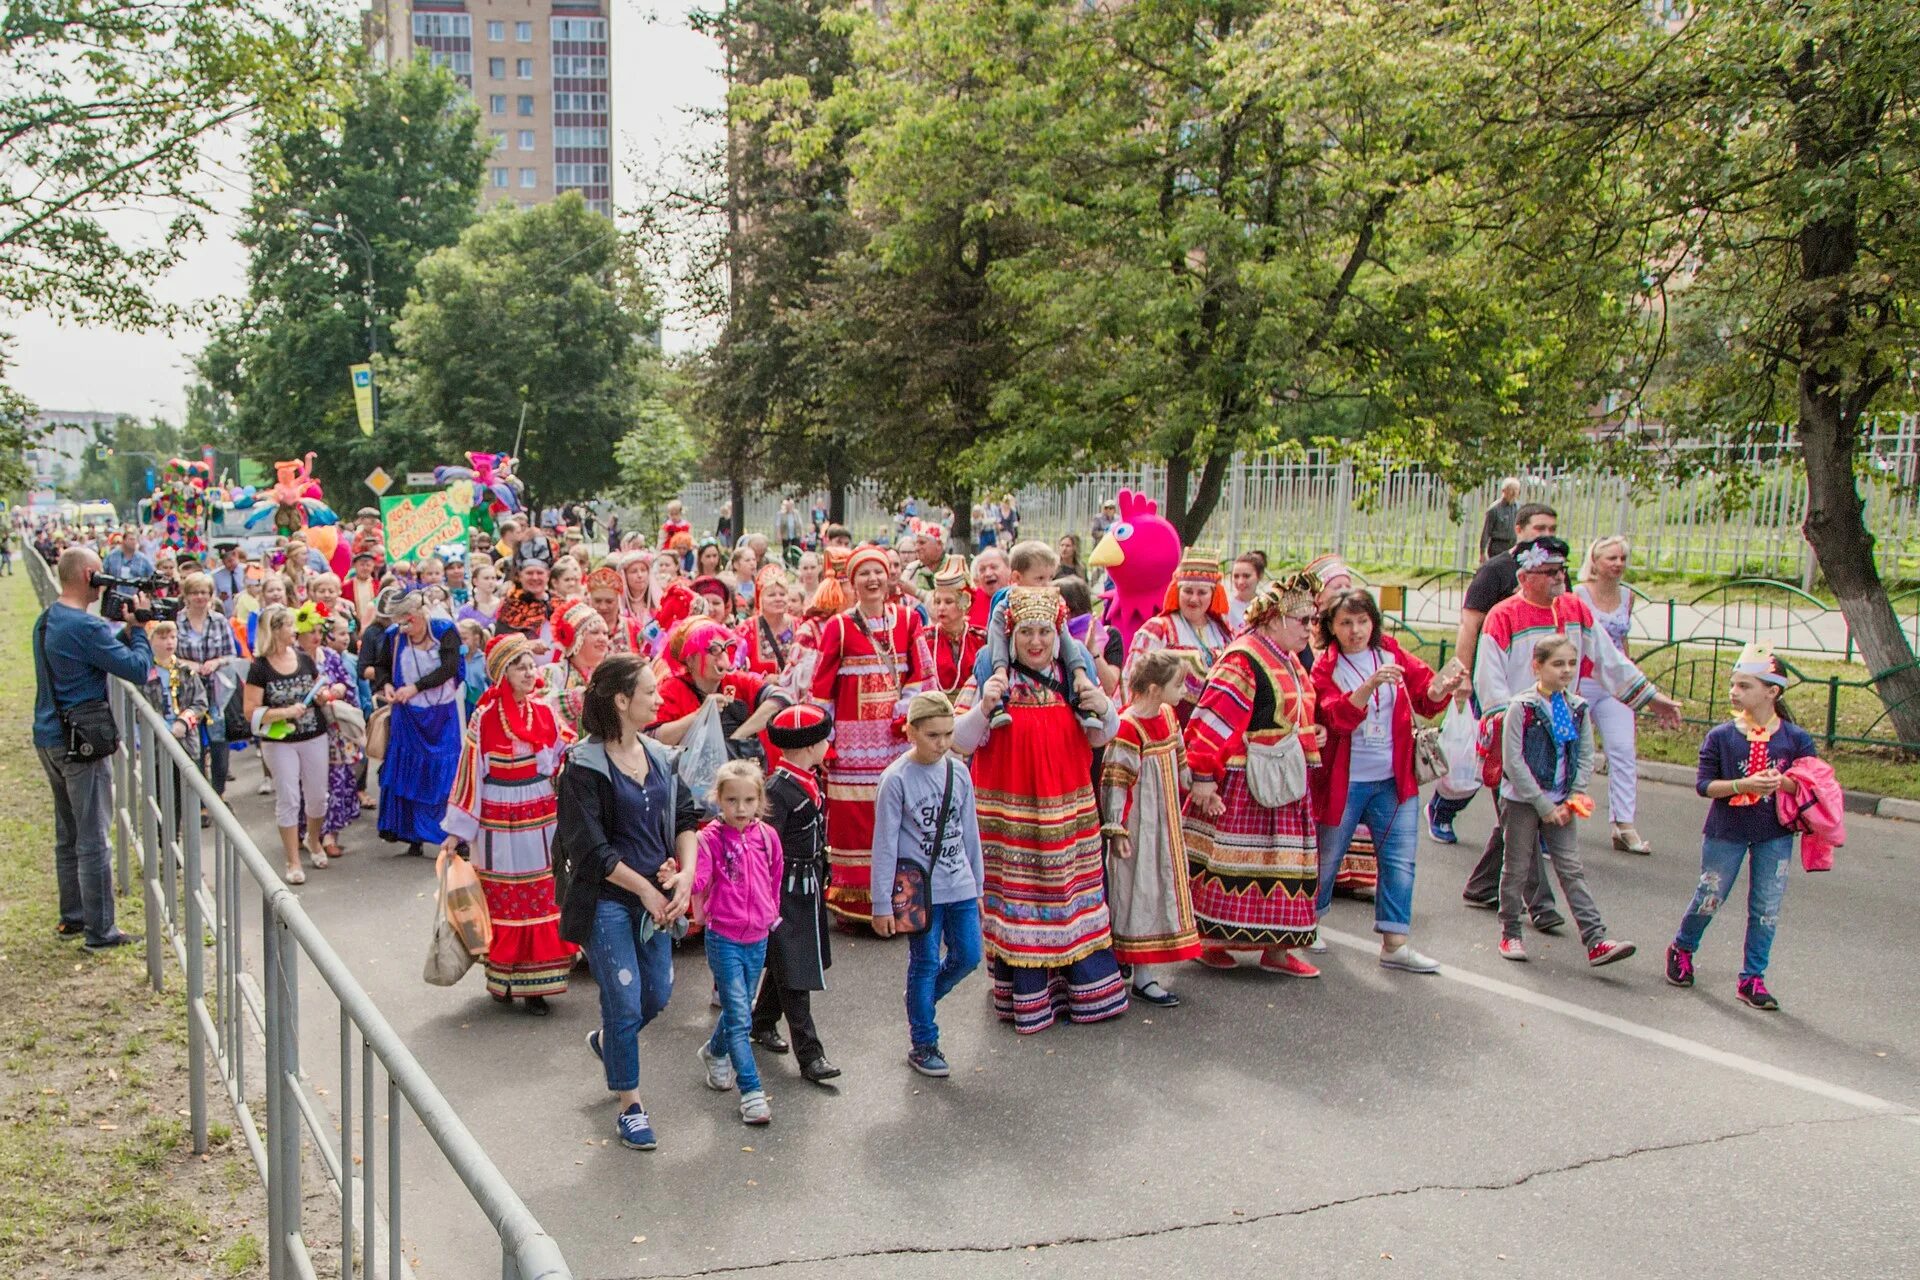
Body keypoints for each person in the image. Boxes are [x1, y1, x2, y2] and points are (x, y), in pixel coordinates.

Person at [1464, 537, 1681, 919]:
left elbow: (1608, 660)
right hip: (1521, 726)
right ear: (1525, 576)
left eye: (1562, 571)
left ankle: (1482, 885)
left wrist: (1651, 698)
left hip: (1562, 723)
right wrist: (1504, 724)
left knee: (1522, 815)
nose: (1558, 578)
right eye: (1549, 572)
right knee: (1526, 812)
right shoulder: (1503, 615)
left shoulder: (1576, 610)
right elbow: (1489, 679)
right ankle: (1542, 907)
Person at [955, 588, 1126, 1033]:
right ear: (1010, 635)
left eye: (1044, 633)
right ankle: (1031, 997)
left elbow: (1104, 734)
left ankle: (1084, 992)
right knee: (1023, 905)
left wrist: (1102, 706)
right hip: (1012, 820)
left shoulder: (1075, 678)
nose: (1036, 642)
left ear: (1057, 635)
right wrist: (985, 707)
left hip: (1068, 814)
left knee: (1072, 898)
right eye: (1026, 632)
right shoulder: (992, 680)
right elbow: (959, 741)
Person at [556, 655, 700, 1152]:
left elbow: (685, 818)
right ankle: (630, 1105)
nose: (660, 700)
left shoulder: (661, 756)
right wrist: (644, 888)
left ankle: (607, 1044)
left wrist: (686, 874)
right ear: (621, 701)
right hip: (607, 900)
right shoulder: (581, 766)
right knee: (622, 1000)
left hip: (655, 901)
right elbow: (591, 850)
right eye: (650, 692)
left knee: (655, 997)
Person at [1310, 588, 1464, 974]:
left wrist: (1441, 687)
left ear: (1374, 623)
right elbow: (1336, 717)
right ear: (1331, 627)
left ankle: (1395, 944)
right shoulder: (1325, 669)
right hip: (1345, 780)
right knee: (1327, 856)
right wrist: (1369, 686)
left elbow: (1426, 696)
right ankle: (1307, 923)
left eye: (1363, 621)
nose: (1356, 630)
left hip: (1394, 779)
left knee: (1399, 861)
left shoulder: (1391, 652)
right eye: (1346, 623)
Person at [1183, 573, 1326, 977]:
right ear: (1276, 618)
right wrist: (1204, 776)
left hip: (1283, 777)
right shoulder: (1244, 657)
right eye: (1303, 621)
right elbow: (1213, 718)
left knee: (1284, 866)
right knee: (1231, 860)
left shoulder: (1288, 658)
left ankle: (1278, 948)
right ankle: (1211, 940)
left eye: (1312, 621)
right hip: (1245, 782)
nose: (1309, 629)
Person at [1667, 646, 1816, 1011]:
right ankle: (1682, 947)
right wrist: (1743, 785)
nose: (1735, 692)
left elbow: (1812, 786)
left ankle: (1753, 977)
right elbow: (1704, 786)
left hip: (1775, 832)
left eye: (1745, 686)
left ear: (1772, 692)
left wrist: (1780, 783)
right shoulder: (1721, 736)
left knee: (1766, 907)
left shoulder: (1795, 740)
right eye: (1734, 685)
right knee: (1710, 894)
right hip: (1726, 829)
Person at [441, 634, 577, 1013]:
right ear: (502, 673)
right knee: (504, 897)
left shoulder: (546, 712)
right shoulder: (484, 719)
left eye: (531, 666)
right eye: (520, 666)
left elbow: (565, 755)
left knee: (541, 894)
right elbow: (469, 775)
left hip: (539, 814)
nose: (529, 673)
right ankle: (502, 978)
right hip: (499, 817)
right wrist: (457, 832)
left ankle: (537, 986)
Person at [808, 545, 933, 923]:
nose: (873, 579)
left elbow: (923, 672)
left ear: (889, 576)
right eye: (864, 573)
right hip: (852, 745)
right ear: (852, 582)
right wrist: (823, 741)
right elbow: (822, 687)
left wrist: (906, 708)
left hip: (897, 740)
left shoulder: (908, 620)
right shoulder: (840, 627)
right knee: (855, 819)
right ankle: (854, 903)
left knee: (901, 816)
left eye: (878, 571)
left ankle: (904, 902)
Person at [1495, 634, 1636, 968]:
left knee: (1571, 869)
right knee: (1516, 867)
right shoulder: (1523, 707)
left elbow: (1586, 754)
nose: (1566, 671)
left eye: (1571, 664)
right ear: (1537, 666)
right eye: (1558, 664)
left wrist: (1573, 795)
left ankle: (1596, 939)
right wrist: (1543, 805)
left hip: (1563, 801)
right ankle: (1510, 930)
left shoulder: (1576, 707)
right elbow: (1513, 762)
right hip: (1523, 801)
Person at [1428, 503, 1559, 844]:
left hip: (1536, 684)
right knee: (1482, 757)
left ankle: (1525, 830)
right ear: (1518, 530)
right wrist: (1463, 675)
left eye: (1551, 529)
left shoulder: (1556, 571)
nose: (1545, 536)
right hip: (1494, 680)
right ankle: (1444, 809)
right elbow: (1470, 624)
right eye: (1538, 528)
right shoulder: (1495, 571)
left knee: (1535, 757)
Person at [869, 692, 984, 1077]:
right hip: (921, 889)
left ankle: (921, 1003)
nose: (942, 743)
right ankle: (924, 1040)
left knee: (969, 955)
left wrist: (978, 885)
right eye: (933, 735)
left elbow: (970, 831)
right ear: (911, 732)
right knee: (923, 962)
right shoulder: (896, 779)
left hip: (960, 884)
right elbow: (883, 843)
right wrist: (882, 903)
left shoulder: (958, 772)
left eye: (948, 734)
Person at [1099, 650, 1202, 1006]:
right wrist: (1115, 826)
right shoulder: (1129, 727)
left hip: (1166, 821)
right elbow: (1115, 779)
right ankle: (1141, 974)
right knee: (1138, 890)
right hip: (1140, 823)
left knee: (1159, 887)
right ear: (1155, 688)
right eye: (1178, 684)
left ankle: (1138, 967)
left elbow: (1180, 755)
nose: (1183, 690)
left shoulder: (1169, 715)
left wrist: (1196, 784)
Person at [690, 760, 783, 1126]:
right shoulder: (709, 839)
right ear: (718, 799)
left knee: (739, 1008)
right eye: (732, 800)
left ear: (759, 799)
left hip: (758, 935)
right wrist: (678, 878)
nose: (740, 809)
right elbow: (698, 880)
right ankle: (752, 1092)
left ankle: (714, 1052)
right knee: (742, 1018)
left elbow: (775, 875)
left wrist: (770, 912)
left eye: (748, 800)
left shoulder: (767, 837)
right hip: (724, 937)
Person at [750, 705, 840, 1082]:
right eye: (822, 740)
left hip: (808, 883)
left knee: (787, 961)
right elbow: (762, 848)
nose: (827, 745)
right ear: (808, 746)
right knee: (795, 969)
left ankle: (761, 1021)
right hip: (784, 889)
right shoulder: (778, 791)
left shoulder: (808, 779)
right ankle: (809, 1054)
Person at [245, 605, 345, 884]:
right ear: (276, 630)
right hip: (279, 741)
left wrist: (326, 694)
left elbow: (317, 691)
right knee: (288, 798)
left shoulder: (303, 658)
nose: (295, 631)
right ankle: (293, 859)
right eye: (290, 626)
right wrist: (284, 712)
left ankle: (313, 839)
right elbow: (250, 711)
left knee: (317, 797)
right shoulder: (259, 668)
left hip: (314, 734)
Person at [1574, 535, 1650, 853]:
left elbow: (1622, 644)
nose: (1618, 564)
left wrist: (1631, 678)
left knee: (1622, 751)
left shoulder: (1628, 595)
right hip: (1583, 680)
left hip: (1614, 686)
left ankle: (1623, 825)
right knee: (1574, 752)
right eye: (1611, 558)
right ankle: (1557, 816)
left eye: (1622, 558)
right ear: (1595, 561)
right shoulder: (1578, 594)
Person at [974, 540, 1101, 731]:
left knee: (1080, 648)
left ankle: (1083, 701)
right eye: (1040, 579)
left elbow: (1064, 637)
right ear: (1017, 577)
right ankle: (996, 703)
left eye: (1050, 578)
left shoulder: (1053, 601)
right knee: (984, 654)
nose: (1047, 585)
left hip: (1048, 653)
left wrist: (1079, 673)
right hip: (1011, 655)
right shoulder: (1004, 603)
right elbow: (997, 639)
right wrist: (1000, 670)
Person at [374, 588, 464, 855]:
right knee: (408, 771)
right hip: (408, 716)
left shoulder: (444, 630)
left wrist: (416, 687)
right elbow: (380, 666)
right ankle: (411, 834)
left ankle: (451, 836)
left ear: (418, 615)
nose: (404, 628)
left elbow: (449, 668)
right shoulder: (393, 637)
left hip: (441, 714)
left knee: (445, 774)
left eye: (408, 621)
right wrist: (386, 685)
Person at [1126, 549, 1234, 725]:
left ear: (1214, 594)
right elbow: (1132, 680)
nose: (1193, 599)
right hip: (1165, 724)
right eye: (1188, 591)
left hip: (1213, 727)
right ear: (1177, 591)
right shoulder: (1159, 629)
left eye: (1202, 593)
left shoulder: (1223, 632)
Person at [176, 571, 239, 800]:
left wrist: (216, 662)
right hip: (188, 692)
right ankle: (200, 798)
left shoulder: (219, 621)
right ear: (186, 596)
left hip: (216, 690)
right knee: (194, 744)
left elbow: (231, 654)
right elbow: (169, 656)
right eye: (194, 593)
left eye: (203, 592)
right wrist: (188, 664)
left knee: (218, 741)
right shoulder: (177, 622)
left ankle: (219, 793)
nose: (199, 597)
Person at [316, 614, 363, 854]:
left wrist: (337, 690)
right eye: (341, 633)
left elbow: (349, 685)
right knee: (313, 781)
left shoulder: (333, 658)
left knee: (337, 779)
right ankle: (313, 832)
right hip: (311, 728)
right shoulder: (300, 657)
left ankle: (330, 835)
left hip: (336, 728)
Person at [543, 599, 611, 740]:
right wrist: (579, 698)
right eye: (595, 632)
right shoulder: (553, 673)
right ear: (576, 639)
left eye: (605, 633)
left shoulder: (608, 674)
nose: (603, 639)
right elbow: (544, 710)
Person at [139, 620, 207, 753]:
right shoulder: (143, 672)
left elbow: (201, 703)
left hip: (187, 741)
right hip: (155, 743)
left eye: (173, 637)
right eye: (163, 638)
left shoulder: (186, 671)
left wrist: (184, 722)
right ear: (151, 640)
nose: (169, 642)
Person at [925, 557, 984, 700]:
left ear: (964, 602)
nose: (941, 608)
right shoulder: (925, 638)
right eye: (938, 601)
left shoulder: (980, 638)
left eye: (948, 601)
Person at [740, 565, 796, 676]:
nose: (778, 599)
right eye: (771, 595)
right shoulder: (746, 629)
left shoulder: (801, 626)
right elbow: (736, 669)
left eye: (782, 594)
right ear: (761, 599)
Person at [494, 559, 554, 647]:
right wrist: (526, 645)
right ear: (519, 576)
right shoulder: (509, 607)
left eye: (540, 573)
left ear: (548, 576)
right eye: (529, 573)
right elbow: (500, 643)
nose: (535, 577)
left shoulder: (558, 604)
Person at [967, 546, 1009, 629]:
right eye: (982, 570)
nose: (988, 573)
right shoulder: (969, 599)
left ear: (1009, 569)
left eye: (993, 567)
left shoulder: (1020, 595)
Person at [1480, 478, 1522, 561]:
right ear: (1504, 491)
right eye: (1511, 490)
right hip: (1498, 547)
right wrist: (1482, 552)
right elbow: (1486, 532)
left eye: (1516, 490)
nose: (1513, 493)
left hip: (1514, 546)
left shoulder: (1519, 508)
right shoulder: (1494, 509)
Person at [458, 559, 503, 629]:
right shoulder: (466, 610)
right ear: (475, 581)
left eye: (493, 578)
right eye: (486, 578)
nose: (491, 582)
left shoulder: (503, 606)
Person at [1226, 553, 1263, 630]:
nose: (1240, 582)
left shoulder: (1268, 607)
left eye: (1246, 576)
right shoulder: (1225, 607)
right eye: (1236, 576)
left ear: (1259, 576)